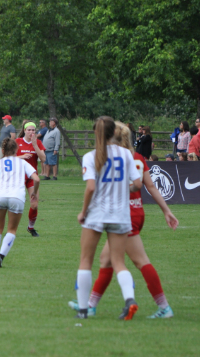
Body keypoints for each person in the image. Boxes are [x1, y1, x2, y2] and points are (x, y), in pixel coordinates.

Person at [69, 121, 178, 319]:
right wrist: (166, 210)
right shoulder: (134, 157)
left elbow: (95, 186)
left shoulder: (100, 156)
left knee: (136, 260)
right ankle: (92, 304)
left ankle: (163, 306)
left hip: (118, 211)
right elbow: (147, 186)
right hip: (130, 212)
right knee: (107, 259)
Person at [74, 116, 143, 320]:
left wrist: (83, 212)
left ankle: (83, 309)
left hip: (97, 212)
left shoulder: (90, 156)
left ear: (96, 133)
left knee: (86, 260)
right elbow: (137, 185)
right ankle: (129, 299)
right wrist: (124, 188)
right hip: (120, 213)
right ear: (114, 132)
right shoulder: (126, 154)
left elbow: (91, 188)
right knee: (119, 262)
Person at [0, 137, 40, 268]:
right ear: (16, 149)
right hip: (17, 197)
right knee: (12, 229)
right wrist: (34, 193)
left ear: (3, 150)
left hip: (0, 196)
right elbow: (36, 179)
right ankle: (0, 257)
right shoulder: (23, 162)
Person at [16, 121, 46, 237]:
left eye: (33, 130)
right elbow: (8, 157)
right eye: (29, 130)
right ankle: (7, 229)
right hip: (18, 177)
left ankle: (31, 227)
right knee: (14, 203)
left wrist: (35, 145)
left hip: (32, 177)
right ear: (24, 130)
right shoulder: (17, 142)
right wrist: (21, 157)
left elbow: (43, 159)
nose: (31, 132)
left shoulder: (38, 142)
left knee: (34, 204)